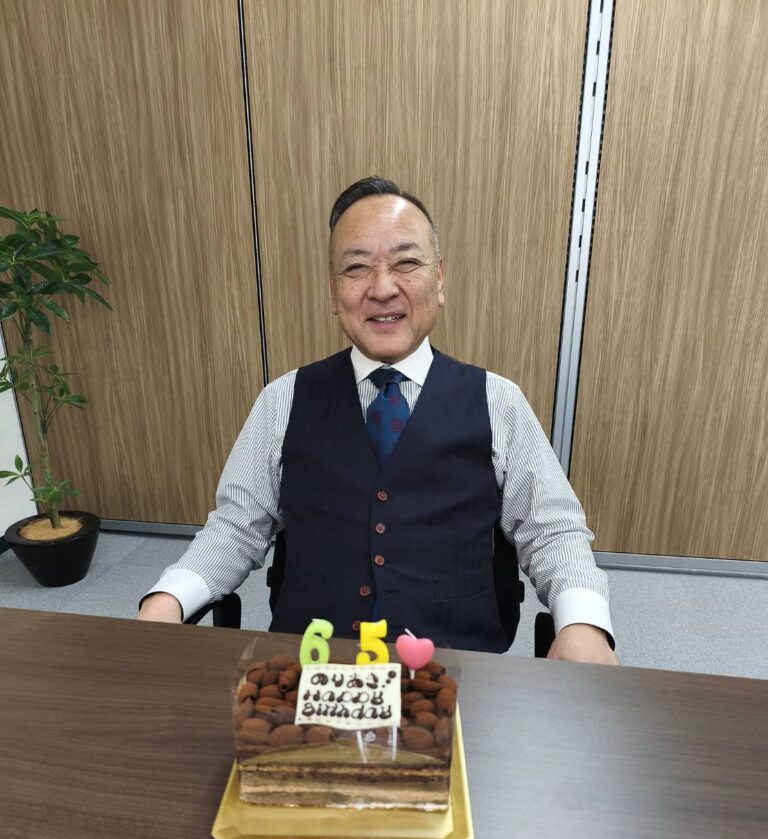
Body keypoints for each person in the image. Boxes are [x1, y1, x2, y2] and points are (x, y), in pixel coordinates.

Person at [140, 176, 618, 665]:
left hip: (458, 669)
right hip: (315, 667)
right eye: (357, 268)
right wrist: (168, 599)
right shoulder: (282, 400)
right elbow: (235, 527)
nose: (383, 288)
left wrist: (582, 624)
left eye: (406, 263)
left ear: (439, 279)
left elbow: (553, 530)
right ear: (334, 293)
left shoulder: (500, 402)